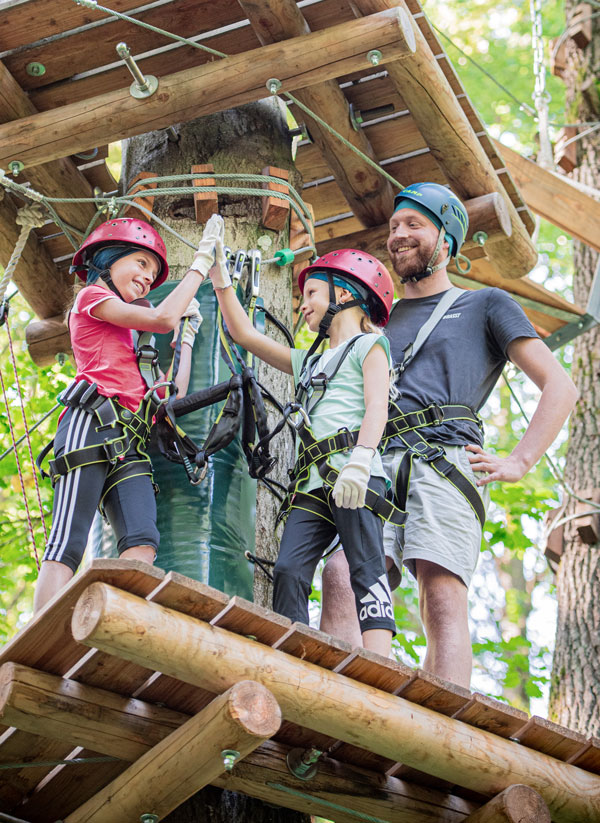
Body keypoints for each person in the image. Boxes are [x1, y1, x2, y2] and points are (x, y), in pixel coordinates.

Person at [319, 182, 578, 686]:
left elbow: (559, 387)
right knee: (342, 577)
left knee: (440, 593)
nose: (398, 236)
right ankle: (339, 709)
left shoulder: (485, 305)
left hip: (443, 459)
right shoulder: (372, 322)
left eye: (414, 225)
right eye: (394, 227)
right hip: (371, 460)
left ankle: (444, 728)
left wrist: (519, 461)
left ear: (447, 240)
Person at [208, 237, 398, 656]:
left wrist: (362, 461)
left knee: (365, 568)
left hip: (356, 472)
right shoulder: (307, 363)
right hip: (312, 484)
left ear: (344, 294)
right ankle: (294, 657)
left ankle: (383, 663)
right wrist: (221, 279)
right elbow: (244, 333)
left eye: (311, 292)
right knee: (290, 569)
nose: (303, 304)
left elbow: (377, 408)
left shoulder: (370, 346)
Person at [34, 214, 224, 613]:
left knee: (142, 543)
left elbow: (172, 394)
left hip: (130, 443)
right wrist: (200, 264)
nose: (146, 277)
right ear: (107, 261)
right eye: (140, 263)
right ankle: (40, 633)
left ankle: (110, 620)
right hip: (90, 424)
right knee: (68, 540)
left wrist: (186, 339)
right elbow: (160, 318)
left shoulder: (137, 341)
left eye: (152, 272)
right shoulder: (91, 299)